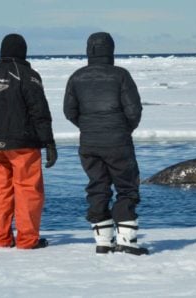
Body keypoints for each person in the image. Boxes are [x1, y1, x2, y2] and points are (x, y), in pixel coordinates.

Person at [63, 32, 147, 255]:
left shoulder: (77, 77)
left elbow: (69, 112)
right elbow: (134, 110)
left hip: (89, 143)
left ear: (88, 50)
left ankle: (103, 242)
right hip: (118, 141)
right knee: (127, 188)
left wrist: (89, 127)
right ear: (111, 50)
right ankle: (127, 242)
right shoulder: (121, 75)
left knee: (97, 187)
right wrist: (123, 128)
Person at [0, 33, 57, 249]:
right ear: (22, 52)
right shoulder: (28, 75)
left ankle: (2, 238)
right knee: (27, 189)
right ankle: (27, 239)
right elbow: (40, 112)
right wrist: (49, 143)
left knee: (0, 190)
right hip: (23, 144)